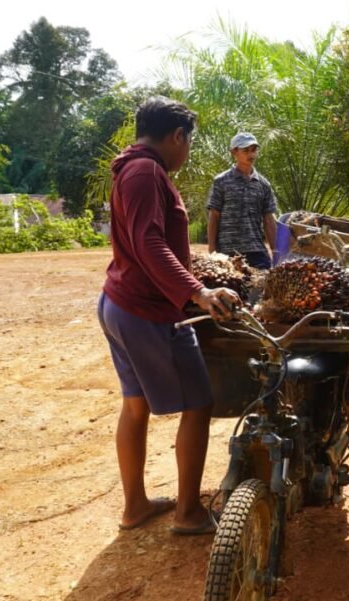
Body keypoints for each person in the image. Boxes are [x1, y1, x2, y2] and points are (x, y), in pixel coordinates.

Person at [98, 96, 241, 536]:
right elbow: (149, 244)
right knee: (199, 403)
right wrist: (196, 292)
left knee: (135, 406)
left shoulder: (132, 168)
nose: (188, 151)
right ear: (177, 136)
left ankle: (135, 506)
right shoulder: (145, 172)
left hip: (121, 304)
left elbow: (150, 246)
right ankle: (188, 513)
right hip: (148, 311)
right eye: (189, 142)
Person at [207, 132, 279, 269]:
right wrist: (212, 249)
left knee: (262, 287)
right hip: (227, 252)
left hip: (256, 250)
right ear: (234, 152)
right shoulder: (221, 181)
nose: (251, 155)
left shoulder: (263, 185)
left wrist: (276, 252)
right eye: (245, 150)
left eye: (253, 150)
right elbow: (214, 216)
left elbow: (269, 219)